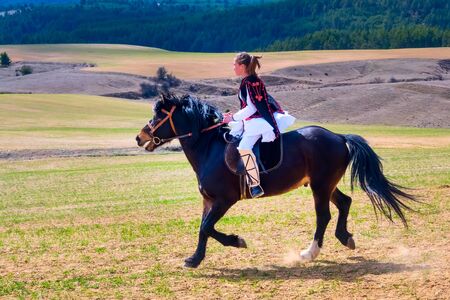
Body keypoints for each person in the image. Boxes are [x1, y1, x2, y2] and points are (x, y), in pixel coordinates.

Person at [223, 52, 295, 198]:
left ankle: (255, 185)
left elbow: (252, 108)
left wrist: (233, 118)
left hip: (256, 122)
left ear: (242, 66)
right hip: (262, 118)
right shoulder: (255, 80)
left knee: (243, 147)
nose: (233, 67)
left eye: (235, 65)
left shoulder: (246, 83)